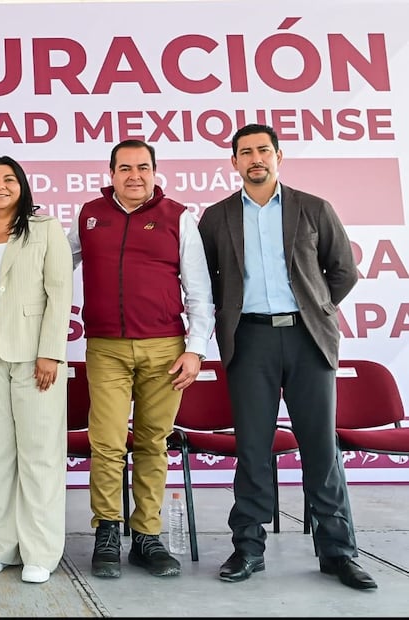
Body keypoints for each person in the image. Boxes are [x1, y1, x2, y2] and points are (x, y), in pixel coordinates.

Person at [197, 123, 376, 590]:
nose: (255, 158)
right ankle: (248, 549)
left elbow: (343, 271)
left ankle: (339, 552)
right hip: (249, 341)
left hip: (307, 339)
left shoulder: (314, 208)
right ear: (233, 162)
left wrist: (314, 308)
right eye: (245, 152)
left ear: (279, 157)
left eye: (263, 150)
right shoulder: (216, 218)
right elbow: (207, 283)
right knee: (253, 448)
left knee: (320, 449)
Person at [67, 139, 214, 580]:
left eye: (143, 167)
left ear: (154, 171)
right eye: (125, 168)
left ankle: (147, 536)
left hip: (166, 348)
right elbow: (52, 261)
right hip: (106, 348)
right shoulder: (89, 216)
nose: (135, 176)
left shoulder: (179, 217)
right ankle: (107, 531)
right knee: (108, 443)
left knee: (153, 443)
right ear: (111, 173)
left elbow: (200, 289)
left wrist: (196, 348)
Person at [0, 155, 72, 584]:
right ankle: (1, 544)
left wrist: (51, 352)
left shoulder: (44, 229)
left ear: (21, 186)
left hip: (31, 350)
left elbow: (60, 293)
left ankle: (40, 550)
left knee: (39, 453)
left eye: (8, 179)